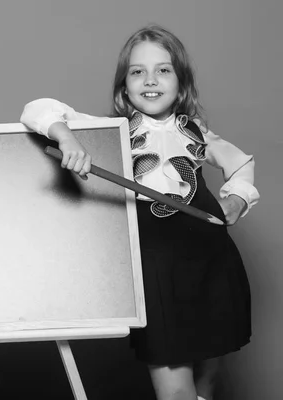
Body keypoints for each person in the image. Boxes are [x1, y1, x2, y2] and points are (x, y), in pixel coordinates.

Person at [20, 25, 259, 400]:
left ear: (181, 85)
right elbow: (36, 108)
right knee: (175, 387)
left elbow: (242, 166)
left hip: (213, 262)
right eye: (137, 71)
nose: (150, 80)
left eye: (163, 70)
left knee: (208, 379)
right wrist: (66, 137)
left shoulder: (196, 131)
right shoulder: (112, 130)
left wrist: (237, 200)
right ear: (124, 87)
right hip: (155, 267)